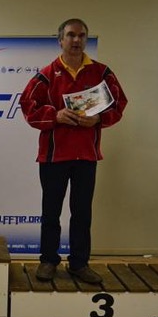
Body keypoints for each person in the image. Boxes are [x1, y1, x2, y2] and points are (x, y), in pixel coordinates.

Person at [19, 18, 128, 284]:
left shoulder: (102, 73)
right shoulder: (47, 74)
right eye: (70, 35)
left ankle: (79, 264)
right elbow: (27, 106)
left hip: (86, 157)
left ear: (86, 40)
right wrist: (55, 115)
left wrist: (99, 119)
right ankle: (48, 260)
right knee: (51, 213)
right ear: (60, 40)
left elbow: (119, 104)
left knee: (82, 214)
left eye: (81, 35)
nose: (76, 40)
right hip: (53, 157)